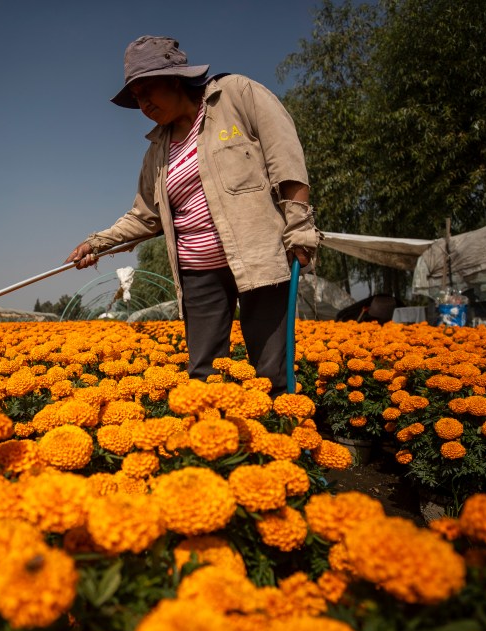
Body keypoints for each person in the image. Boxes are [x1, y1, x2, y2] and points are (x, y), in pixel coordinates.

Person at [66, 35, 321, 396]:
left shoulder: (235, 95)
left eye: (147, 90)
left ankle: (278, 445)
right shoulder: (157, 150)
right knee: (203, 376)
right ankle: (213, 447)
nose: (143, 104)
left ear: (174, 78)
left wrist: (299, 226)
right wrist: (97, 242)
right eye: (136, 98)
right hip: (198, 272)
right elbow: (145, 216)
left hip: (258, 258)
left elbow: (286, 158)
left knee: (271, 372)